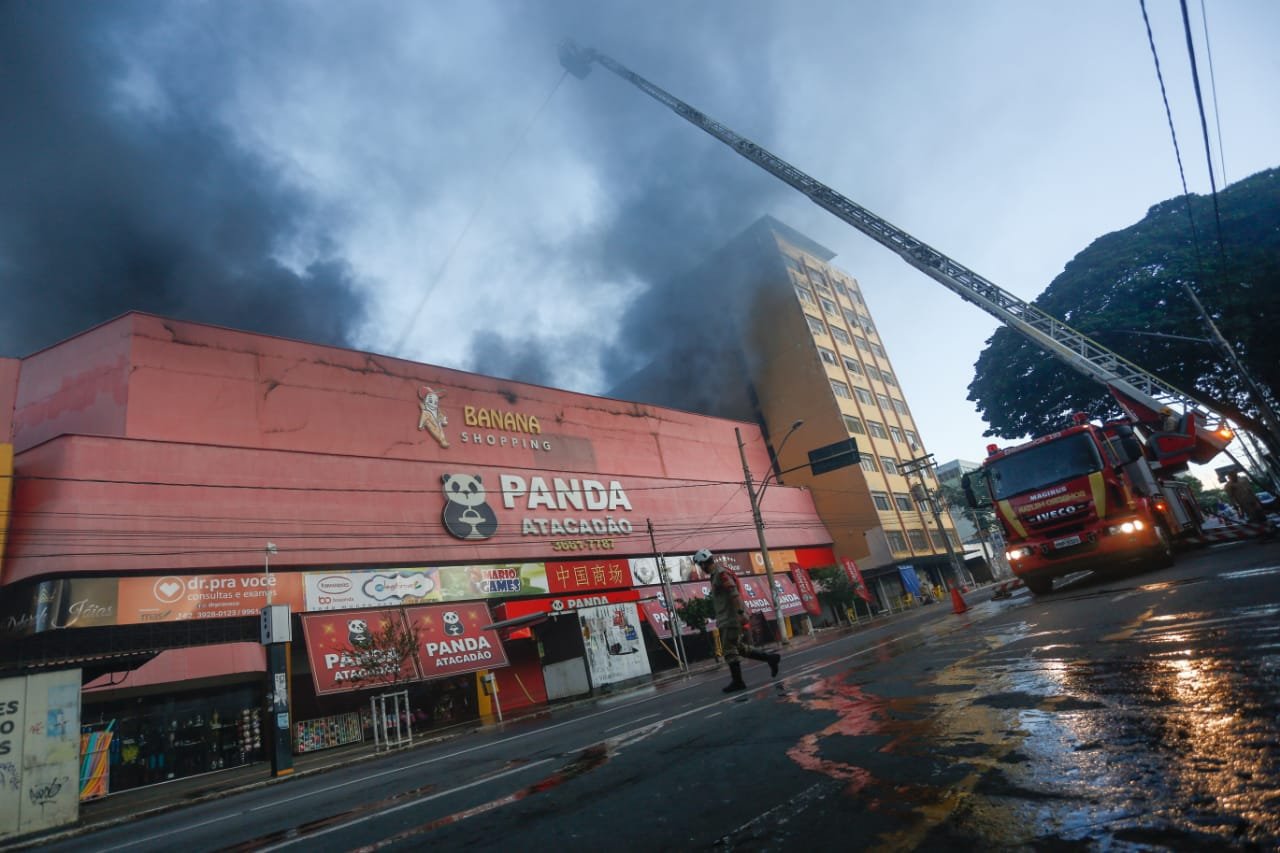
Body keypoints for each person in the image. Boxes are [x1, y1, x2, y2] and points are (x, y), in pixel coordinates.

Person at [693, 548, 780, 692]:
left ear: (703, 564)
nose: (701, 569)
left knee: (730, 651)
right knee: (740, 648)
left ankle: (738, 682)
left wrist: (740, 612)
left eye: (700, 565)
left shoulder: (721, 574)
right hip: (725, 617)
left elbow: (734, 593)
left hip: (730, 619)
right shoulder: (715, 575)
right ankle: (770, 658)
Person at [1224, 472, 1273, 540]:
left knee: (1261, 514)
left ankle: (1269, 530)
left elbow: (1250, 489)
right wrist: (1234, 505)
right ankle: (1261, 533)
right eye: (1231, 476)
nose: (1233, 477)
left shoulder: (1243, 479)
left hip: (1253, 499)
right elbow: (1231, 496)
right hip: (1244, 503)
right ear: (1229, 477)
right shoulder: (1228, 485)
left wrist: (1257, 499)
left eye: (1234, 475)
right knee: (1254, 517)